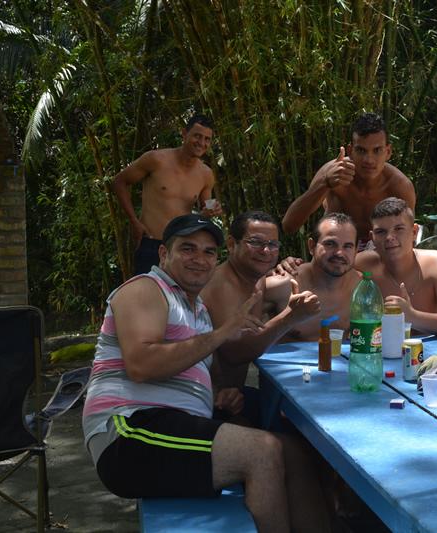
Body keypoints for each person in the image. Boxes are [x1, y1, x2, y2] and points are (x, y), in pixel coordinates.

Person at [82, 214, 330, 532]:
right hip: (129, 432)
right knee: (262, 451)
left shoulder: (195, 308)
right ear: (163, 254)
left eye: (208, 252)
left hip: (174, 424)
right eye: (188, 249)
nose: (199, 259)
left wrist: (218, 393)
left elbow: (191, 367)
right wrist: (222, 333)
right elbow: (142, 366)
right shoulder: (145, 288)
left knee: (294, 450)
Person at [200, 211, 321, 392]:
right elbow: (234, 354)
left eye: (273, 244)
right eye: (255, 242)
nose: (265, 251)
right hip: (208, 397)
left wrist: (290, 265)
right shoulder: (221, 284)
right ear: (232, 244)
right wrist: (290, 317)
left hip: (234, 393)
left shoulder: (257, 279)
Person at [281, 113, 415, 251]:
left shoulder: (400, 186)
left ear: (388, 152)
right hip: (335, 249)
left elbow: (408, 240)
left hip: (380, 252)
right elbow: (289, 226)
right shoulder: (332, 173)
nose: (369, 159)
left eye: (377, 150)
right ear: (350, 151)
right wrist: (325, 183)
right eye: (361, 150)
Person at [113, 114, 223, 275]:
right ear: (184, 133)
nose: (201, 143)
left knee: (179, 292)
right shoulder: (157, 159)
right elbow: (119, 182)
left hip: (183, 244)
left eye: (207, 139)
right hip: (151, 242)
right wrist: (134, 221)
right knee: (146, 290)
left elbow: (204, 214)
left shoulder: (206, 174)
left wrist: (211, 212)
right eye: (197, 136)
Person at [355, 197, 437, 336]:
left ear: (414, 233)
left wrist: (412, 317)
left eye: (398, 229)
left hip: (432, 348)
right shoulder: (362, 264)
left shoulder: (436, 263)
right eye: (381, 232)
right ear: (372, 237)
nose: (389, 237)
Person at [265, 213, 362, 342]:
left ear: (356, 250)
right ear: (312, 246)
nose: (339, 253)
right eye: (330, 244)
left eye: (347, 246)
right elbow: (240, 337)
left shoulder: (361, 288)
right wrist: (288, 317)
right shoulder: (283, 285)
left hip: (338, 356)